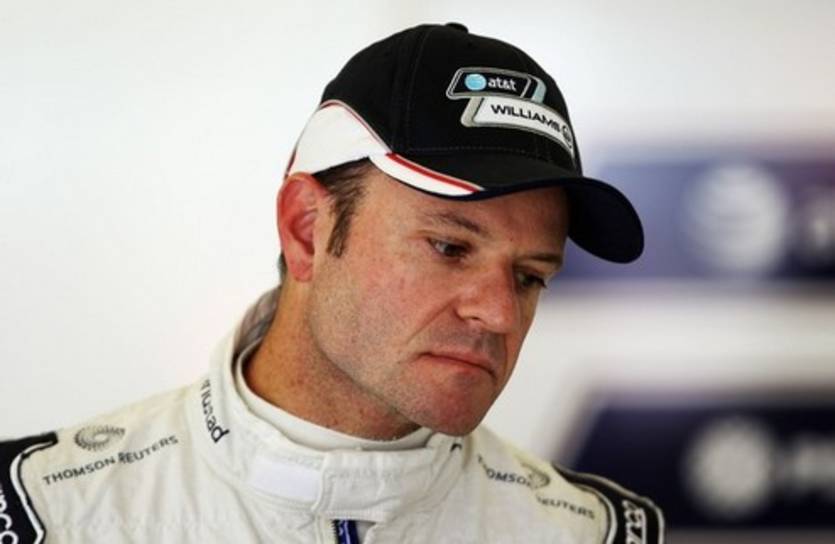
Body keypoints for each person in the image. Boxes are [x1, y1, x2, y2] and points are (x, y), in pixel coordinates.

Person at [0, 23, 663, 543]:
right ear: (306, 230)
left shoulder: (591, 532)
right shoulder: (43, 514)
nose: (499, 314)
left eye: (528, 276)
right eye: (449, 247)